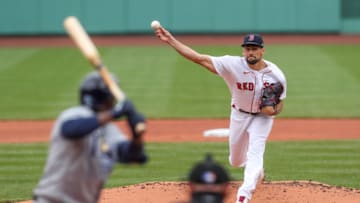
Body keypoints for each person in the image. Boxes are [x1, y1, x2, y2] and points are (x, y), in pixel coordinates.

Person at [154, 28, 287, 203]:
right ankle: (257, 172)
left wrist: (273, 111)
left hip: (263, 119)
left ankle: (244, 195)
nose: (251, 52)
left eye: (255, 48)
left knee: (256, 150)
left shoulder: (276, 75)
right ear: (243, 50)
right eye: (247, 48)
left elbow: (280, 104)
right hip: (239, 114)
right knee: (236, 160)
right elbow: (198, 58)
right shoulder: (232, 64)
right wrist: (171, 40)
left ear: (263, 50)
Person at [33, 71, 148, 203]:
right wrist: (114, 113)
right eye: (110, 97)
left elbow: (135, 156)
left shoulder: (110, 130)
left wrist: (137, 135)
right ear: (103, 98)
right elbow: (71, 130)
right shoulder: (74, 115)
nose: (113, 101)